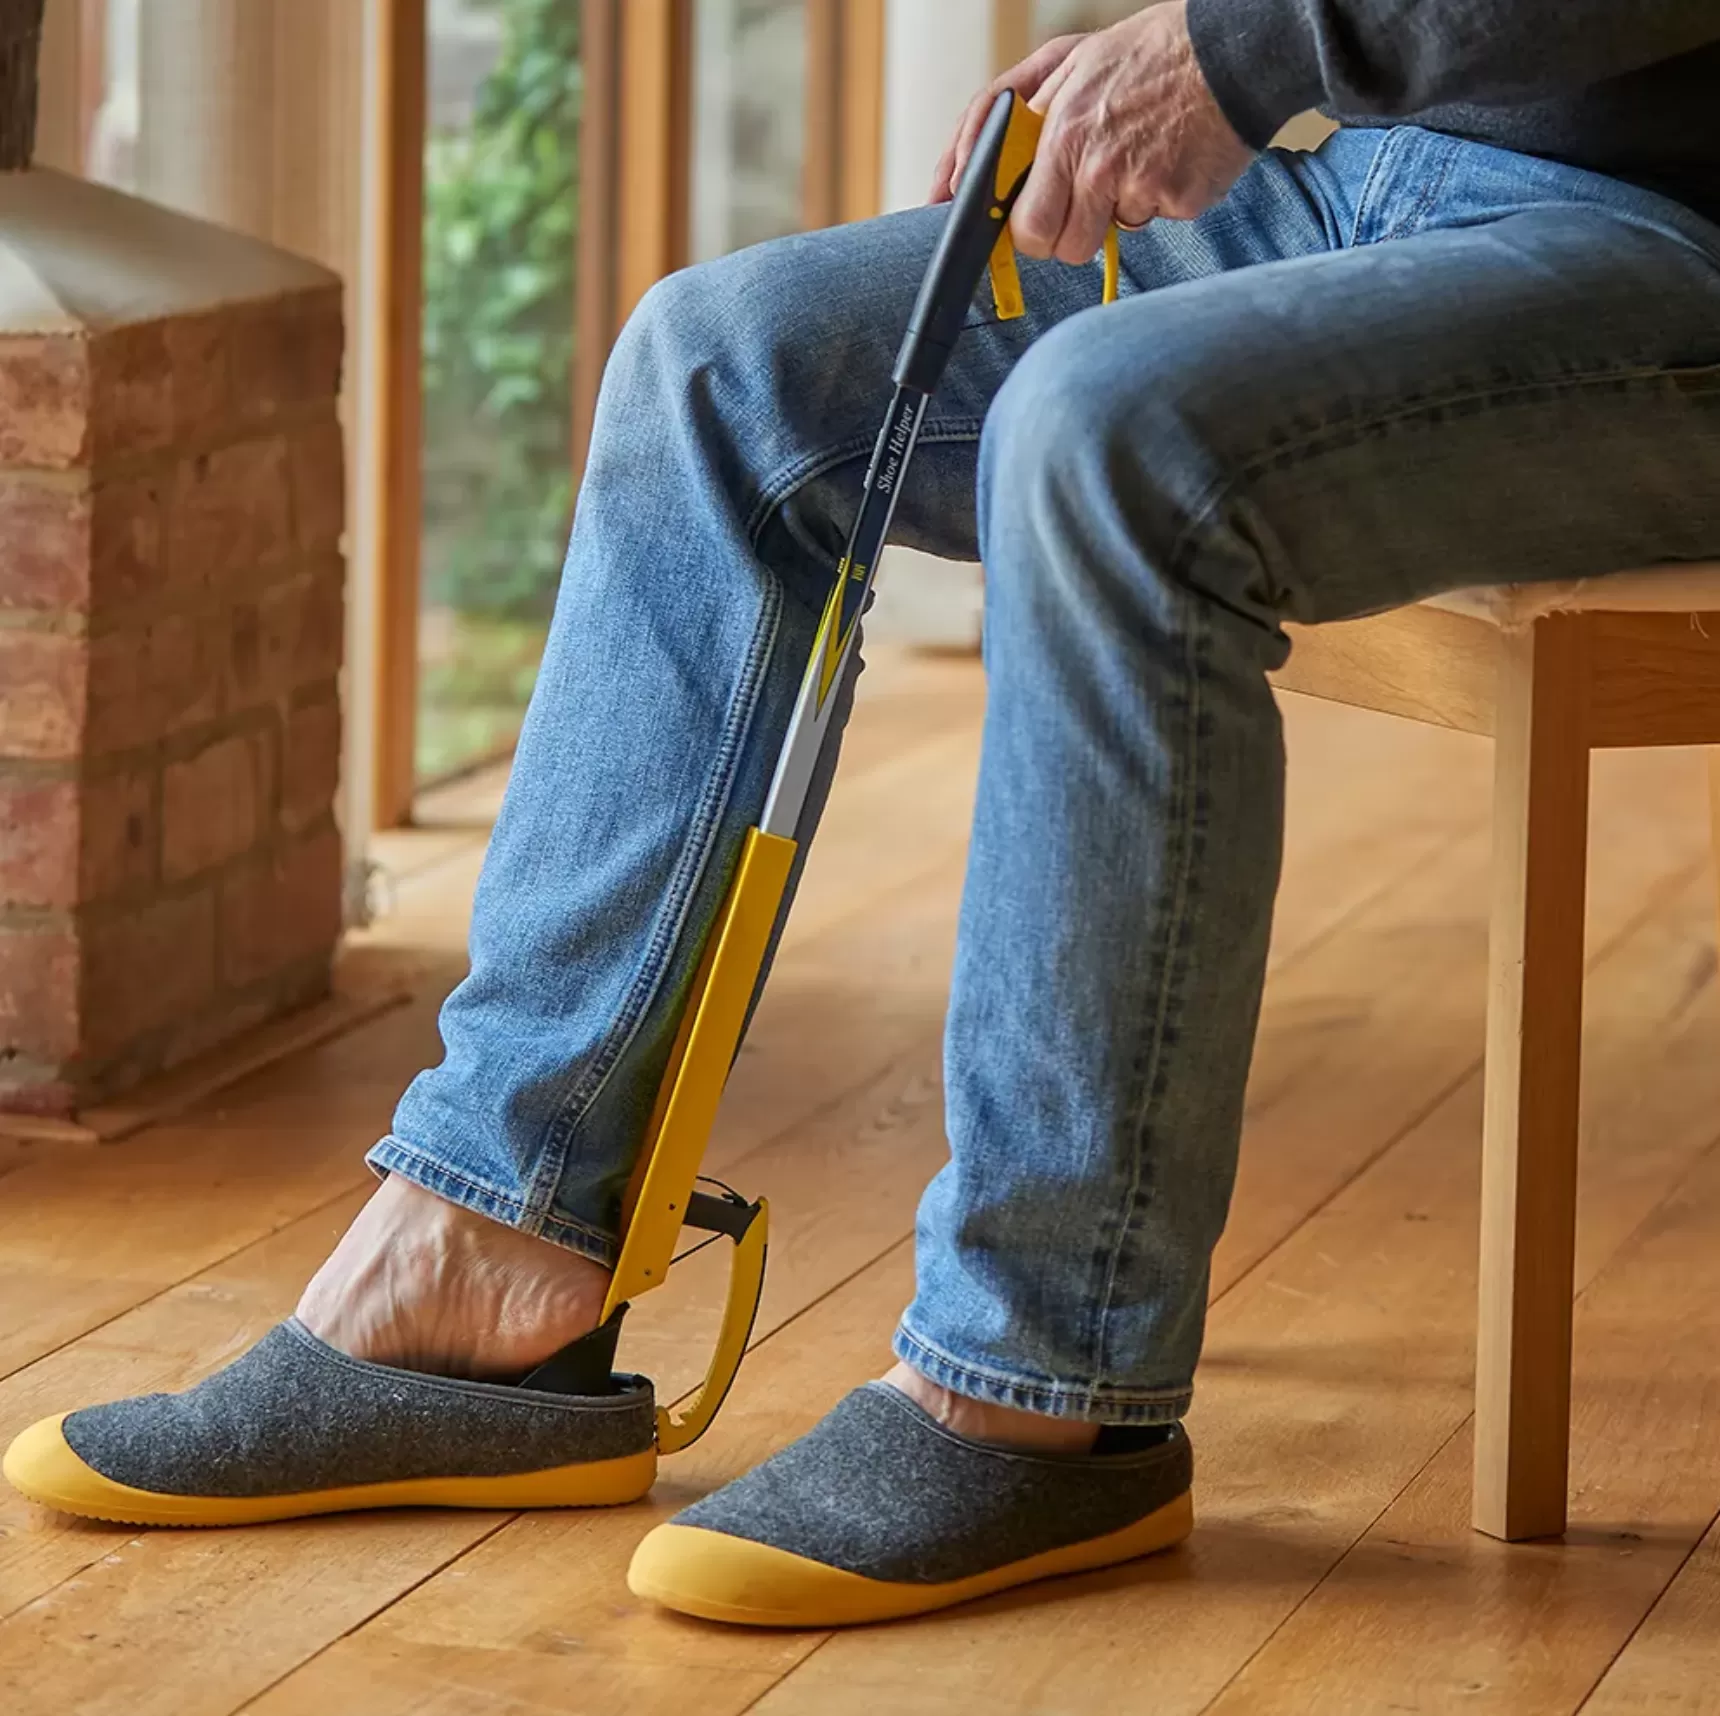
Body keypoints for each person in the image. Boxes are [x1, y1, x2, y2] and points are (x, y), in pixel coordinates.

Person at [9, 0, 1720, 1629]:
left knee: (1100, 435)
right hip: (1367, 173)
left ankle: (1043, 1382)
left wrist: (1230, 45)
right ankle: (488, 1240)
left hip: (1665, 249)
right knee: (720, 368)